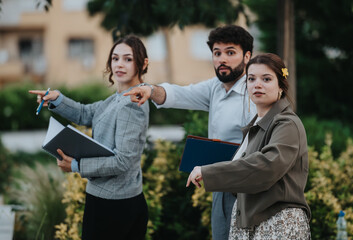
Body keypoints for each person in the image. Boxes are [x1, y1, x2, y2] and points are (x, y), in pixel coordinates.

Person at [124, 25, 257, 240]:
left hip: (250, 191)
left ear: (247, 56)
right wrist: (150, 90)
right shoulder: (215, 87)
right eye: (217, 53)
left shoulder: (255, 90)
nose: (222, 59)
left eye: (230, 53)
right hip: (221, 186)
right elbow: (180, 94)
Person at [29, 35, 150, 240]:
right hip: (106, 201)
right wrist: (57, 99)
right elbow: (86, 114)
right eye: (115, 58)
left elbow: (122, 162)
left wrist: (76, 166)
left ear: (143, 63)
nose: (119, 64)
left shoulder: (132, 105)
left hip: (116, 208)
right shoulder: (118, 98)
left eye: (128, 59)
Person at [186, 53, 311, 239]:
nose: (257, 84)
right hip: (252, 224)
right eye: (251, 79)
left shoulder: (287, 124)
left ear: (281, 86)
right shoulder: (256, 126)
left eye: (266, 79)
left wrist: (208, 172)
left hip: (279, 224)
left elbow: (266, 167)